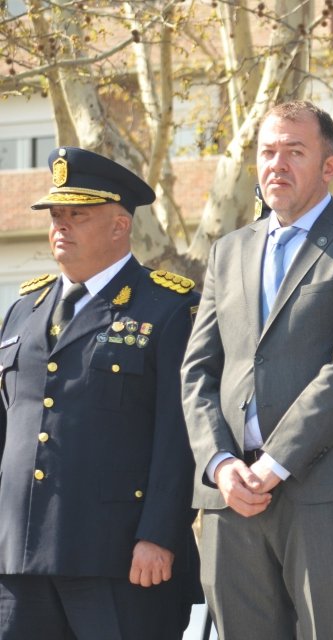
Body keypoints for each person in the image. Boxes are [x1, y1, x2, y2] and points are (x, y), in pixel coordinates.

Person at [181, 100, 333, 639]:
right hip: (230, 500)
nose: (276, 164)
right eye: (268, 151)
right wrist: (221, 465)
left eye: (294, 152)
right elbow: (198, 371)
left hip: (323, 491)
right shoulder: (227, 251)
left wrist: (276, 462)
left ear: (329, 166)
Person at [0, 147, 200, 639]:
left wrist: (159, 533)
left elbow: (180, 436)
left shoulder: (168, 307)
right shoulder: (24, 308)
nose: (60, 226)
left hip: (119, 558)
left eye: (78, 215)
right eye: (56, 215)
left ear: (119, 226)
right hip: (18, 557)